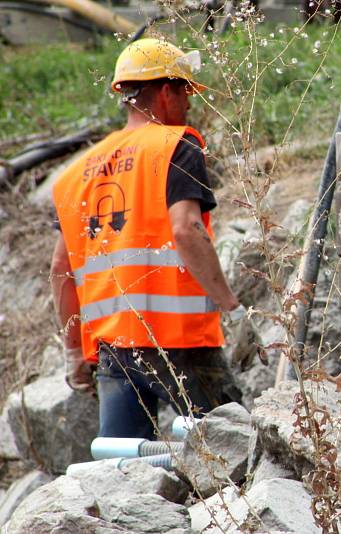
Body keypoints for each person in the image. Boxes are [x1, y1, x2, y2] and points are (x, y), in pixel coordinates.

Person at [49, 38, 242, 439]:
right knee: (233, 453)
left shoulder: (76, 173)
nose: (190, 104)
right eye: (186, 91)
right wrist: (231, 307)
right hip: (179, 342)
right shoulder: (175, 144)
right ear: (167, 91)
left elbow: (60, 270)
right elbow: (187, 229)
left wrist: (74, 352)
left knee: (120, 469)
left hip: (114, 349)